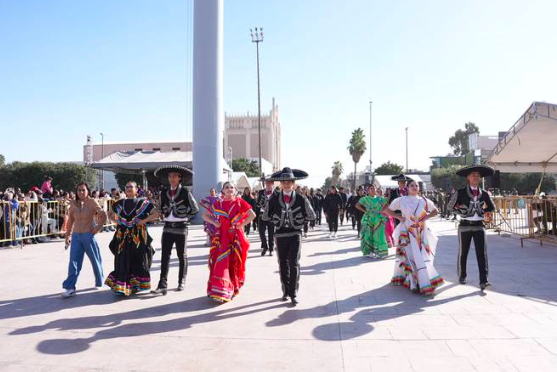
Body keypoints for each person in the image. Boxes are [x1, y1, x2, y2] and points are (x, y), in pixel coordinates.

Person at [262, 167, 315, 305]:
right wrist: (276, 219)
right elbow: (265, 216)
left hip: (295, 234)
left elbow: (312, 215)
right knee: (282, 263)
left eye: (289, 182)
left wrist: (299, 220)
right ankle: (285, 290)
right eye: (284, 182)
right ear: (281, 183)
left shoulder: (301, 198)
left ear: (293, 183)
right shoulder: (273, 199)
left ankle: (294, 292)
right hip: (280, 235)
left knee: (294, 263)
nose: (286, 184)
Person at [385, 179, 443, 295]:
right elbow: (388, 210)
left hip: (420, 233)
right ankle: (412, 281)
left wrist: (425, 218)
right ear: (407, 187)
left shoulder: (424, 200)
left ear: (419, 188)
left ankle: (421, 280)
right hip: (406, 232)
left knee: (420, 257)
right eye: (412, 185)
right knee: (409, 256)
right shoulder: (401, 200)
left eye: (416, 185)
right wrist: (399, 218)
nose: (415, 187)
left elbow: (435, 211)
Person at [202, 182, 256, 302]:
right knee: (221, 261)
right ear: (222, 190)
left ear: (235, 190)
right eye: (227, 187)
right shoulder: (218, 203)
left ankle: (232, 287)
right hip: (222, 236)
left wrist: (240, 225)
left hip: (236, 236)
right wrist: (215, 223)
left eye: (231, 187)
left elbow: (252, 215)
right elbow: (205, 215)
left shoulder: (239, 202)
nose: (229, 189)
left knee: (234, 262)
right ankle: (220, 289)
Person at [105, 181, 159, 296]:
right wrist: (117, 222)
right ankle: (122, 285)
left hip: (138, 237)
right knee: (122, 259)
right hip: (122, 237)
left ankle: (136, 285)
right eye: (127, 186)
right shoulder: (119, 203)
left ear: (136, 190)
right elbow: (109, 214)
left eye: (131, 187)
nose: (129, 188)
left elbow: (156, 214)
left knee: (138, 258)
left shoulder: (143, 203)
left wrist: (143, 221)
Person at [151, 165, 199, 295]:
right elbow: (160, 208)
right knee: (164, 256)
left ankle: (181, 281)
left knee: (181, 256)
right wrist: (156, 212)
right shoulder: (163, 193)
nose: (172, 178)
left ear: (179, 178)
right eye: (170, 176)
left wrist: (185, 217)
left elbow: (195, 209)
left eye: (174, 176)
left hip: (181, 227)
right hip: (167, 227)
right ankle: (162, 285)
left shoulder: (185, 192)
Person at [448, 165, 496, 291]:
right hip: (464, 226)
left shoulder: (485, 193)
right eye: (473, 174)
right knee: (463, 252)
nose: (476, 176)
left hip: (479, 226)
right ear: (468, 178)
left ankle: (484, 280)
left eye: (477, 175)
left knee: (482, 254)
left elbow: (492, 207)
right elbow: (450, 207)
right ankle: (462, 275)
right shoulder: (460, 192)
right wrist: (462, 212)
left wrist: (483, 210)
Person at [62, 183, 107, 298]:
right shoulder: (72, 203)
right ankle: (70, 287)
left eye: (83, 190)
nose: (81, 192)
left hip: (88, 235)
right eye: (79, 190)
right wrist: (68, 236)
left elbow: (102, 215)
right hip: (76, 236)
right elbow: (71, 220)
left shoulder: (92, 202)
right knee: (73, 262)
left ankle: (99, 281)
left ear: (88, 191)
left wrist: (97, 229)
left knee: (95, 259)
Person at [356, 184, 389, 258]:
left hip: (378, 218)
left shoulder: (380, 198)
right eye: (371, 188)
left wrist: (382, 210)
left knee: (379, 234)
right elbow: (357, 205)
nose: (373, 189)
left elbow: (387, 205)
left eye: (374, 188)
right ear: (367, 190)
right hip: (368, 219)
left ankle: (380, 252)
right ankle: (369, 251)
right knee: (368, 235)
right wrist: (365, 211)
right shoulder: (365, 198)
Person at [256, 179, 276, 256]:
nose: (268, 184)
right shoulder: (261, 192)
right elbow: (257, 203)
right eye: (267, 183)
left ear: (272, 184)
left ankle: (271, 249)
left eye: (269, 183)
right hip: (262, 214)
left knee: (271, 233)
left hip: (271, 215)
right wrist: (260, 204)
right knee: (261, 232)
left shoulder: (276, 193)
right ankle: (265, 247)